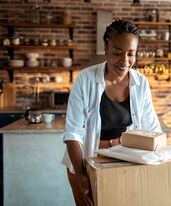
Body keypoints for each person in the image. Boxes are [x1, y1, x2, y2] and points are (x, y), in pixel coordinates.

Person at [61, 20, 162, 206]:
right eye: (117, 53)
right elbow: (73, 132)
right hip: (84, 162)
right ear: (106, 49)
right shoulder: (85, 80)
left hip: (123, 159)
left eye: (131, 54)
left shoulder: (141, 83)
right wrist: (82, 175)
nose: (125, 61)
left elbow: (152, 128)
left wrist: (161, 160)